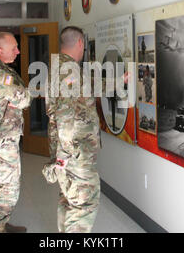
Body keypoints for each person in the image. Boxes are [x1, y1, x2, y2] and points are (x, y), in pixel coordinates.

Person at [42, 26, 129, 233]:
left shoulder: (63, 67)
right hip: (74, 153)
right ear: (80, 43)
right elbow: (64, 116)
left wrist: (120, 81)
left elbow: (90, 86)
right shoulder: (66, 72)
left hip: (68, 151)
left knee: (68, 199)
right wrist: (65, 156)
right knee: (84, 203)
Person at [0, 32, 32, 233]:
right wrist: (21, 96)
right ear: (0, 51)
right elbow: (25, 99)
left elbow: (18, 96)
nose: (18, 51)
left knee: (4, 183)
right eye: (14, 48)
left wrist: (17, 97)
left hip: (3, 136)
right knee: (8, 186)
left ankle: (1, 222)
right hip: (1, 139)